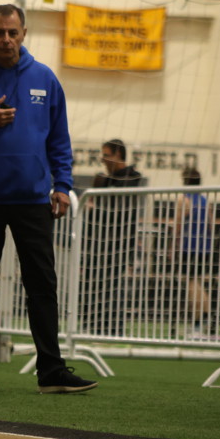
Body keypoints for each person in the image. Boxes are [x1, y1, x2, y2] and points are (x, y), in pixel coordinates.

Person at [0, 3, 97, 394]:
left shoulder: (45, 78)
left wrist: (63, 186)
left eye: (13, 32)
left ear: (24, 34)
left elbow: (59, 140)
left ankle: (51, 371)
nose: (6, 39)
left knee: (42, 284)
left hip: (32, 201)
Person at [83, 138, 146, 336]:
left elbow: (117, 211)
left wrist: (95, 205)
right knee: (93, 282)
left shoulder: (132, 178)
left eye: (106, 155)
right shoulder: (103, 180)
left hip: (120, 242)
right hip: (99, 241)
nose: (103, 159)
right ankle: (93, 326)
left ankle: (113, 329)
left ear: (118, 154)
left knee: (113, 286)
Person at [174, 167, 212, 339]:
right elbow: (211, 225)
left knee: (191, 284)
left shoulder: (184, 199)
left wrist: (173, 247)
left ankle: (200, 321)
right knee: (197, 283)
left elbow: (178, 226)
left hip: (188, 248)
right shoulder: (205, 201)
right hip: (204, 249)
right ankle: (201, 319)